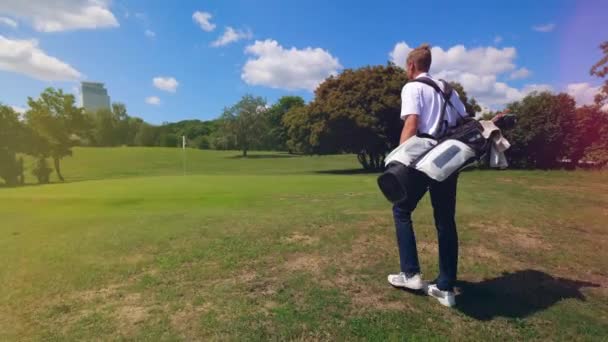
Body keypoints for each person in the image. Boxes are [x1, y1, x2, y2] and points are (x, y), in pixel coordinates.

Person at [387, 44, 467, 307]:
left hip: (424, 158)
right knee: (445, 218)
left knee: (401, 209)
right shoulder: (449, 90)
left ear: (411, 66)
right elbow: (463, 122)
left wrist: (398, 161)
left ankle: (410, 274)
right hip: (448, 158)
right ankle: (445, 288)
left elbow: (411, 124)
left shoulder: (412, 87)